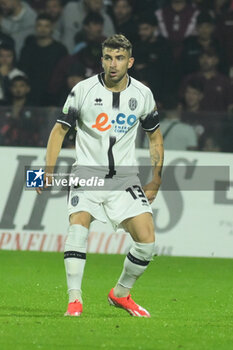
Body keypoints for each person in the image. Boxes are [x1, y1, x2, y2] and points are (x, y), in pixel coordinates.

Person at [37, 34, 164, 317]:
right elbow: (59, 131)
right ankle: (74, 300)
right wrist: (48, 170)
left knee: (147, 243)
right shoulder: (82, 90)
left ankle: (120, 293)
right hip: (87, 174)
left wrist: (156, 179)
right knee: (78, 227)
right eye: (108, 57)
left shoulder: (143, 95)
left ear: (130, 62)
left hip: (124, 180)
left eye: (119, 58)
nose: (113, 64)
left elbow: (155, 138)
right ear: (102, 60)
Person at [19, 13, 67, 106]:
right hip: (30, 97)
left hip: (53, 97)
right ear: (35, 27)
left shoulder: (60, 50)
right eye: (40, 25)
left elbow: (63, 75)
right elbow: (22, 72)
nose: (43, 29)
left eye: (46, 26)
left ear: (52, 27)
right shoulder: (27, 49)